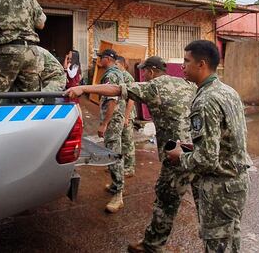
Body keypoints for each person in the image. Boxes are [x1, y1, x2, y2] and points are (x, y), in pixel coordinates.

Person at [65, 55, 197, 253]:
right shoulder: (185, 84)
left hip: (176, 154)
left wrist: (83, 88)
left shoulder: (154, 86)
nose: (144, 75)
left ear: (151, 72)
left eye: (145, 72)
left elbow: (116, 90)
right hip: (196, 150)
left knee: (165, 200)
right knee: (202, 200)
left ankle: (152, 246)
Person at [166, 40, 252, 253]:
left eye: (186, 61)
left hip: (220, 189)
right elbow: (226, 139)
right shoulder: (227, 91)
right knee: (230, 241)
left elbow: (207, 160)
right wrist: (191, 147)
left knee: (217, 246)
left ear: (201, 64)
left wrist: (179, 156)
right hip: (237, 184)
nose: (182, 66)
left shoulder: (205, 100)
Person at [95, 48, 128, 213]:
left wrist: (104, 123)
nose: (99, 60)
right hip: (117, 119)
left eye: (100, 57)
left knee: (114, 154)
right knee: (115, 151)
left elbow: (112, 100)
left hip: (113, 120)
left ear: (108, 58)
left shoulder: (110, 74)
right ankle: (116, 185)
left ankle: (119, 194)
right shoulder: (118, 72)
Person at [116, 55, 137, 177]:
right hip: (120, 114)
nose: (115, 67)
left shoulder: (128, 77)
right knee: (121, 142)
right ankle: (119, 165)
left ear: (122, 65)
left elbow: (132, 99)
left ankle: (129, 168)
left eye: (117, 65)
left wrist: (126, 116)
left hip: (127, 114)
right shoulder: (118, 76)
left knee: (128, 142)